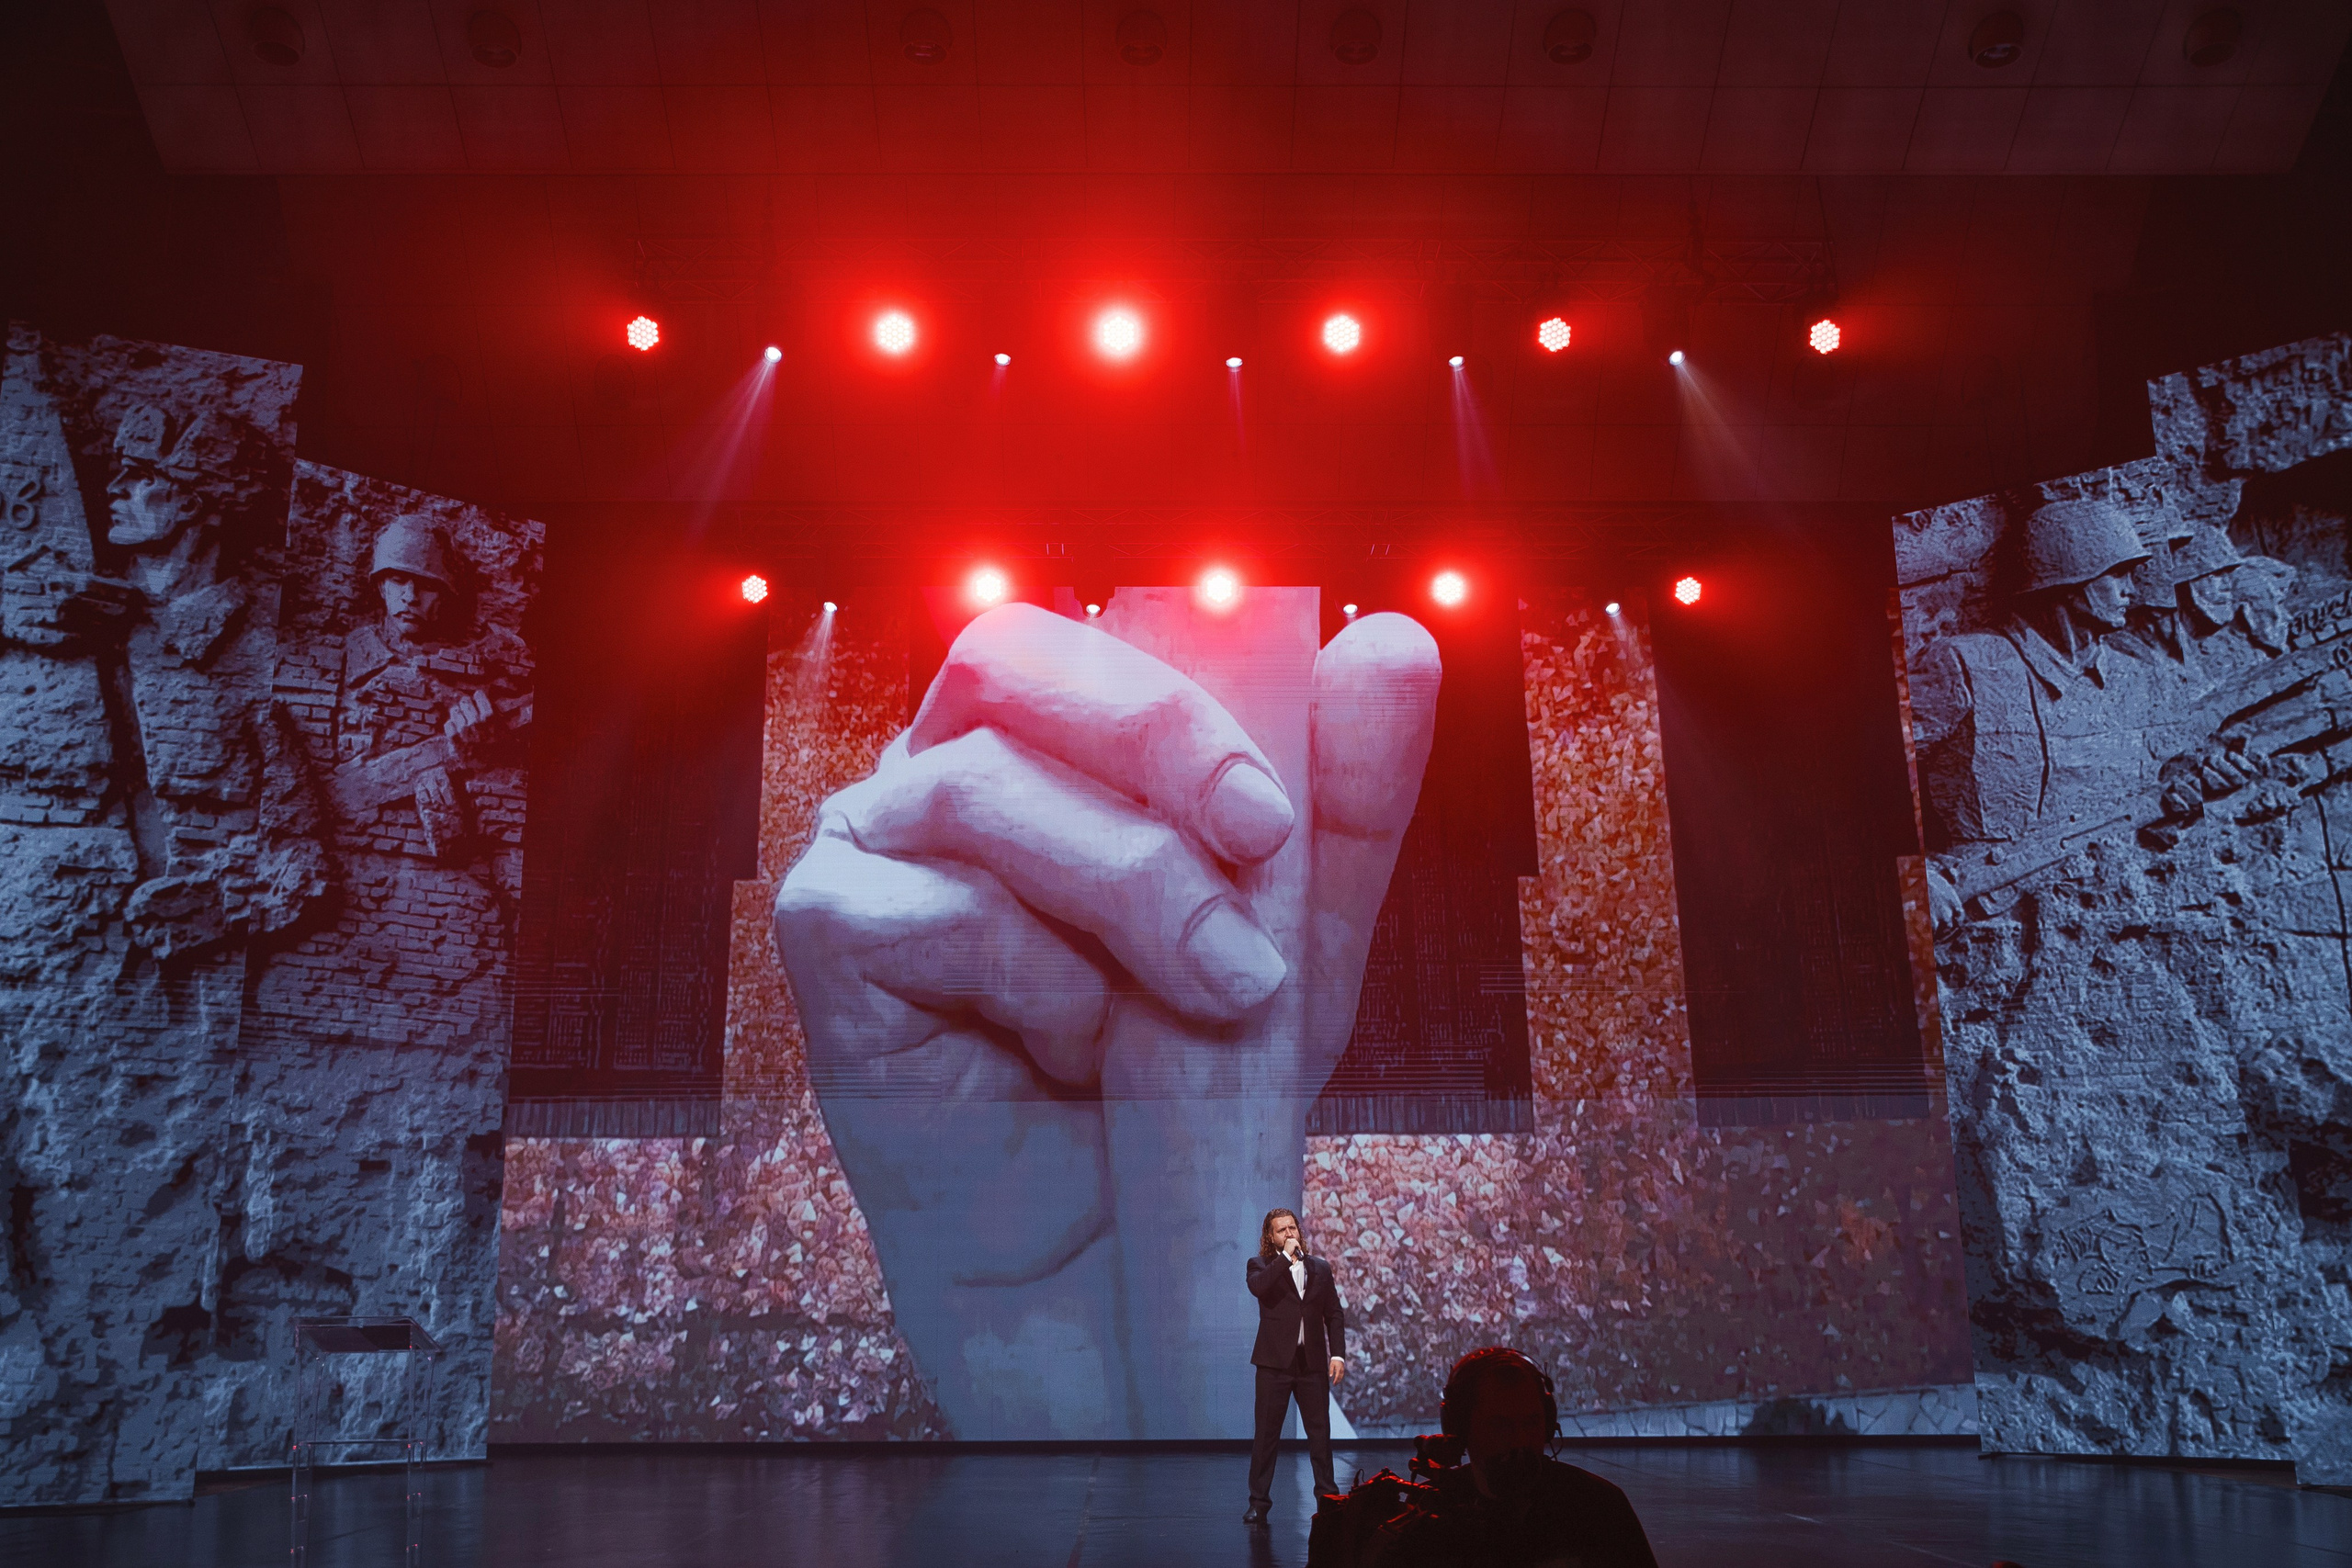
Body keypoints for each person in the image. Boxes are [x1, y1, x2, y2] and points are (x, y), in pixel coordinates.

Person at [1346, 1348, 1658, 1568]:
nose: (1520, 1441)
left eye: (1531, 1423)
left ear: (1548, 1424)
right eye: (1501, 1425)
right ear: (1460, 1428)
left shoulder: (1598, 1508)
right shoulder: (1430, 1518)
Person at [1245, 1207, 1348, 1523]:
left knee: (1320, 1435)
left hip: (1311, 1365)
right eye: (1282, 1230)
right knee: (1266, 1437)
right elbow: (1259, 1288)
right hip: (1274, 1365)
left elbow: (1334, 1313)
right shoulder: (1260, 1265)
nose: (1290, 1234)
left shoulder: (1319, 1268)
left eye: (1293, 1228)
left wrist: (1337, 1354)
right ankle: (1258, 1503)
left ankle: (1328, 1499)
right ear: (1270, 1237)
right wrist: (1283, 1260)